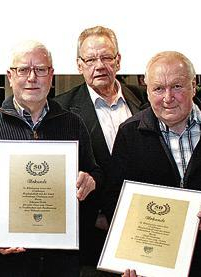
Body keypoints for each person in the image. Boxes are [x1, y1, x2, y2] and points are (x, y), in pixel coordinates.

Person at [0, 41, 102, 277]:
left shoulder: (73, 123)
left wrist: (91, 180)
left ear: (52, 75)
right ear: (10, 76)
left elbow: (95, 172)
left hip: (62, 264)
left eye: (41, 69)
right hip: (7, 263)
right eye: (23, 70)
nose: (32, 78)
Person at [109, 51, 201, 277]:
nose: (167, 97)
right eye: (158, 88)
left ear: (193, 85)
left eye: (177, 87)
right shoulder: (129, 133)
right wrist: (127, 256)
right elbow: (114, 197)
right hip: (150, 265)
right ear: (147, 89)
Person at [54, 25, 148, 273]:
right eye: (91, 59)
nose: (99, 65)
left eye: (106, 57)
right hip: (90, 236)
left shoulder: (147, 100)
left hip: (144, 232)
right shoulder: (60, 110)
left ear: (118, 60)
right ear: (79, 64)